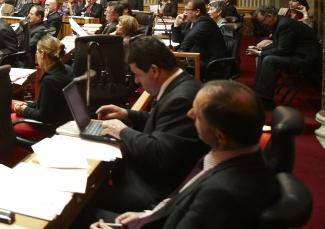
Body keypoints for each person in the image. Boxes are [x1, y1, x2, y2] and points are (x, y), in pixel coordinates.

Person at [91, 81, 279, 229]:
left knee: (79, 215)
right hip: (156, 216)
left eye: (197, 114)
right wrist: (149, 214)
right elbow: (182, 197)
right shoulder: (234, 155)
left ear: (220, 136)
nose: (189, 114)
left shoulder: (221, 194)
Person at [91, 37, 208, 213]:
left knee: (86, 198)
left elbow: (159, 153)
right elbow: (160, 121)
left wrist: (123, 131)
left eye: (137, 74)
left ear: (154, 70)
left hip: (154, 190)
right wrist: (127, 114)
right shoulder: (181, 84)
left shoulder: (180, 99)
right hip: (153, 177)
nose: (136, 81)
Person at [247, 5, 321, 110]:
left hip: (305, 58)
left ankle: (266, 102)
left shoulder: (284, 24)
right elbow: (278, 44)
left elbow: (283, 50)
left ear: (270, 16)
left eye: (262, 21)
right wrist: (260, 50)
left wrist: (259, 53)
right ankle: (260, 94)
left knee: (269, 60)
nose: (262, 24)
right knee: (264, 57)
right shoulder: (279, 23)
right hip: (295, 53)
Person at [11, 35, 73, 140]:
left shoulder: (50, 80)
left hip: (47, 128)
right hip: (62, 120)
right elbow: (49, 103)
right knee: (9, 102)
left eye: (37, 52)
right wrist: (28, 105)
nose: (37, 55)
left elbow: (43, 116)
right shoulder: (67, 69)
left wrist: (24, 110)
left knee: (3, 120)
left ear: (43, 54)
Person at [170, 0, 227, 69]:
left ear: (197, 11)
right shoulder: (190, 23)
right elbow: (177, 40)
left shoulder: (206, 22)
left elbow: (190, 38)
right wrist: (177, 25)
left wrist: (177, 55)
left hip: (210, 64)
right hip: (197, 59)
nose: (184, 13)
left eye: (187, 10)